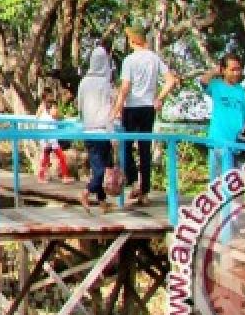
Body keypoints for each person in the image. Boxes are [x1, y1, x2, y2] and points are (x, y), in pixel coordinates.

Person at [109, 26, 179, 206]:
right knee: (144, 149)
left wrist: (116, 109)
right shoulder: (154, 58)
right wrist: (159, 98)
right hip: (148, 107)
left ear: (132, 41)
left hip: (132, 107)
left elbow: (125, 88)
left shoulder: (129, 60)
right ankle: (144, 192)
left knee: (126, 146)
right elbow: (171, 80)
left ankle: (134, 182)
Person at [199, 53, 245, 181]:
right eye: (232, 69)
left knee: (236, 185)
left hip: (237, 144)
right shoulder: (216, 85)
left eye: (238, 69)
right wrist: (216, 70)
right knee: (217, 184)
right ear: (223, 70)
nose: (236, 73)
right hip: (218, 142)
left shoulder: (241, 91)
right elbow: (203, 81)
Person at [77, 46, 114, 211]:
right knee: (102, 169)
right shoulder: (105, 83)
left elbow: (79, 104)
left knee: (98, 167)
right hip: (101, 130)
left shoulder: (84, 82)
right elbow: (109, 108)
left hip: (88, 130)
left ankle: (102, 202)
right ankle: (86, 192)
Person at [36, 93, 73, 182]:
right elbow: (60, 117)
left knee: (46, 157)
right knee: (61, 157)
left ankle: (41, 176)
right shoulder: (50, 109)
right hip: (50, 137)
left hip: (45, 137)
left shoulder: (41, 109)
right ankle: (65, 176)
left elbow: (37, 117)